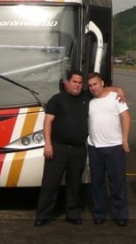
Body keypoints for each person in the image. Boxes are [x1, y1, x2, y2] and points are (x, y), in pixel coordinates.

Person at [34, 70, 124, 226]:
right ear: (67, 83)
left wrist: (118, 90)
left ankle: (72, 213)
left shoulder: (86, 97)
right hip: (58, 148)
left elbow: (101, 89)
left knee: (75, 184)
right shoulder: (57, 99)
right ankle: (43, 215)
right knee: (50, 183)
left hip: (78, 150)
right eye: (74, 82)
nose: (77, 85)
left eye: (80, 83)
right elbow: (47, 122)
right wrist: (48, 144)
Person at [86, 72, 131, 227]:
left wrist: (124, 139)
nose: (93, 88)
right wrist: (117, 87)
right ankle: (99, 213)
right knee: (97, 183)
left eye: (95, 84)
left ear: (102, 83)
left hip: (114, 147)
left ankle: (121, 214)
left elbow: (126, 117)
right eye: (90, 85)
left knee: (117, 182)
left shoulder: (115, 98)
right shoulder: (89, 101)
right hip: (94, 147)